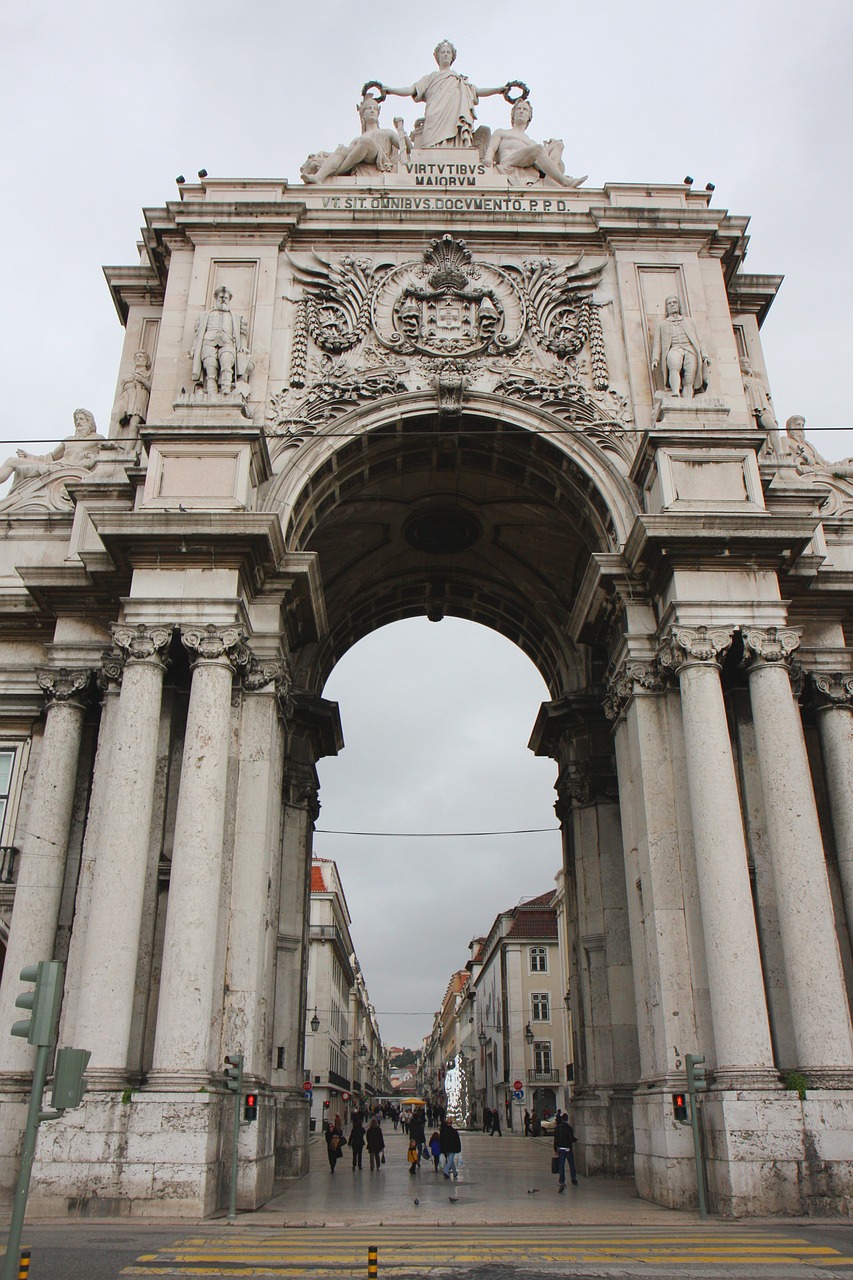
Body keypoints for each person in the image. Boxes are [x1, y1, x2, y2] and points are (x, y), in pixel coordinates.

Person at [378, 41, 510, 149]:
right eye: (443, 52)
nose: (446, 54)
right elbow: (411, 89)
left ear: (452, 57)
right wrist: (390, 90)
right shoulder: (430, 78)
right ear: (438, 56)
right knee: (429, 147)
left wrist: (498, 90)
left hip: (453, 116)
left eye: (448, 52)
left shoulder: (459, 80)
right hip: (434, 115)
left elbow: (477, 91)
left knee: (454, 143)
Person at [0, 408, 111, 491]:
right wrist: (28, 456)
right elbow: (50, 457)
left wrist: (91, 458)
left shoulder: (97, 438)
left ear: (89, 422)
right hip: (55, 466)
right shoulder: (69, 439)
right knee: (12, 461)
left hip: (68, 469)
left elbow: (110, 452)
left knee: (15, 465)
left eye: (81, 419)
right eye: (76, 420)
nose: (78, 422)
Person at [485, 99, 586, 188]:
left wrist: (552, 150)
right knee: (538, 148)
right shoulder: (502, 132)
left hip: (527, 163)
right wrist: (488, 159)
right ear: (513, 114)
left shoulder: (531, 142)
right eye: (518, 109)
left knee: (558, 144)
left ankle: (550, 179)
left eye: (525, 110)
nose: (521, 111)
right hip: (508, 162)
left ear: (529, 116)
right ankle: (565, 182)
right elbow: (491, 148)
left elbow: (539, 165)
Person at [302, 95, 400, 184]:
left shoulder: (387, 132)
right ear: (363, 115)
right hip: (362, 156)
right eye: (369, 108)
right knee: (342, 149)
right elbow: (348, 155)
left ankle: (338, 172)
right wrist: (325, 153)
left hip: (379, 157)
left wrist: (400, 129)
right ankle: (318, 177)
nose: (372, 111)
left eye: (375, 109)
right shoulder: (357, 139)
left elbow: (408, 148)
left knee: (365, 142)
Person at [190, 284, 251, 397]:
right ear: (216, 299)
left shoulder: (236, 317)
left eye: (226, 298)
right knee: (210, 363)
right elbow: (198, 335)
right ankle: (211, 391)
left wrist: (243, 345)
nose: (223, 300)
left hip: (227, 342)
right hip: (208, 341)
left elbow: (242, 333)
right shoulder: (205, 315)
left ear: (229, 299)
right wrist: (194, 349)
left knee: (227, 361)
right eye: (220, 298)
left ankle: (226, 390)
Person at [651, 295, 710, 399]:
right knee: (673, 365)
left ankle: (688, 400)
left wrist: (704, 354)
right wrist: (655, 359)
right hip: (674, 348)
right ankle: (675, 392)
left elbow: (699, 339)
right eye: (669, 303)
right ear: (666, 308)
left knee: (689, 377)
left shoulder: (690, 321)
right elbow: (657, 344)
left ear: (679, 306)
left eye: (674, 302)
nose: (672, 305)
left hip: (689, 349)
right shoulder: (662, 324)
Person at [116, 350, 152, 437]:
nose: (137, 359)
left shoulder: (149, 374)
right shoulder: (128, 375)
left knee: (133, 425)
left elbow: (154, 390)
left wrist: (142, 380)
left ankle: (129, 449)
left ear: (146, 361)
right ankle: (113, 441)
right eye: (136, 357)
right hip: (127, 397)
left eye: (140, 357)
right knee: (116, 414)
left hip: (139, 398)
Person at [553, 1112, 578, 1191]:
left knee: (561, 1166)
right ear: (567, 1119)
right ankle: (573, 1180)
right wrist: (575, 1140)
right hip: (568, 1149)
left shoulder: (557, 1128)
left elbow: (555, 1140)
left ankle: (562, 1181)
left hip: (560, 1149)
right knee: (572, 1165)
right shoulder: (569, 1128)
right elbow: (571, 1138)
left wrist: (555, 1149)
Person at [440, 1115, 462, 1179]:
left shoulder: (443, 1131)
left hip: (446, 1148)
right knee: (450, 1160)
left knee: (450, 1160)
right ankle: (446, 1171)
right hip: (453, 1148)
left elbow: (441, 1140)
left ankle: (455, 1173)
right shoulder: (454, 1131)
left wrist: (442, 1148)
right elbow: (457, 1141)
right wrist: (458, 1148)